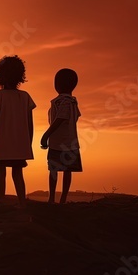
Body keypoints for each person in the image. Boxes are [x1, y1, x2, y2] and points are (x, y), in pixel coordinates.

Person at [0, 56, 35, 207]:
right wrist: (28, 143)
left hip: (2, 143)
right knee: (18, 174)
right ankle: (22, 202)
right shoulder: (25, 97)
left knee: (0, 173)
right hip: (20, 143)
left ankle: (1, 200)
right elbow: (30, 124)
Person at [40, 68, 83, 204]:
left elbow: (60, 119)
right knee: (66, 170)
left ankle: (54, 198)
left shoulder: (64, 102)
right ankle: (59, 198)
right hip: (70, 142)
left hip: (58, 143)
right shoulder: (72, 102)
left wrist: (46, 135)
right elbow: (75, 117)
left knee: (55, 170)